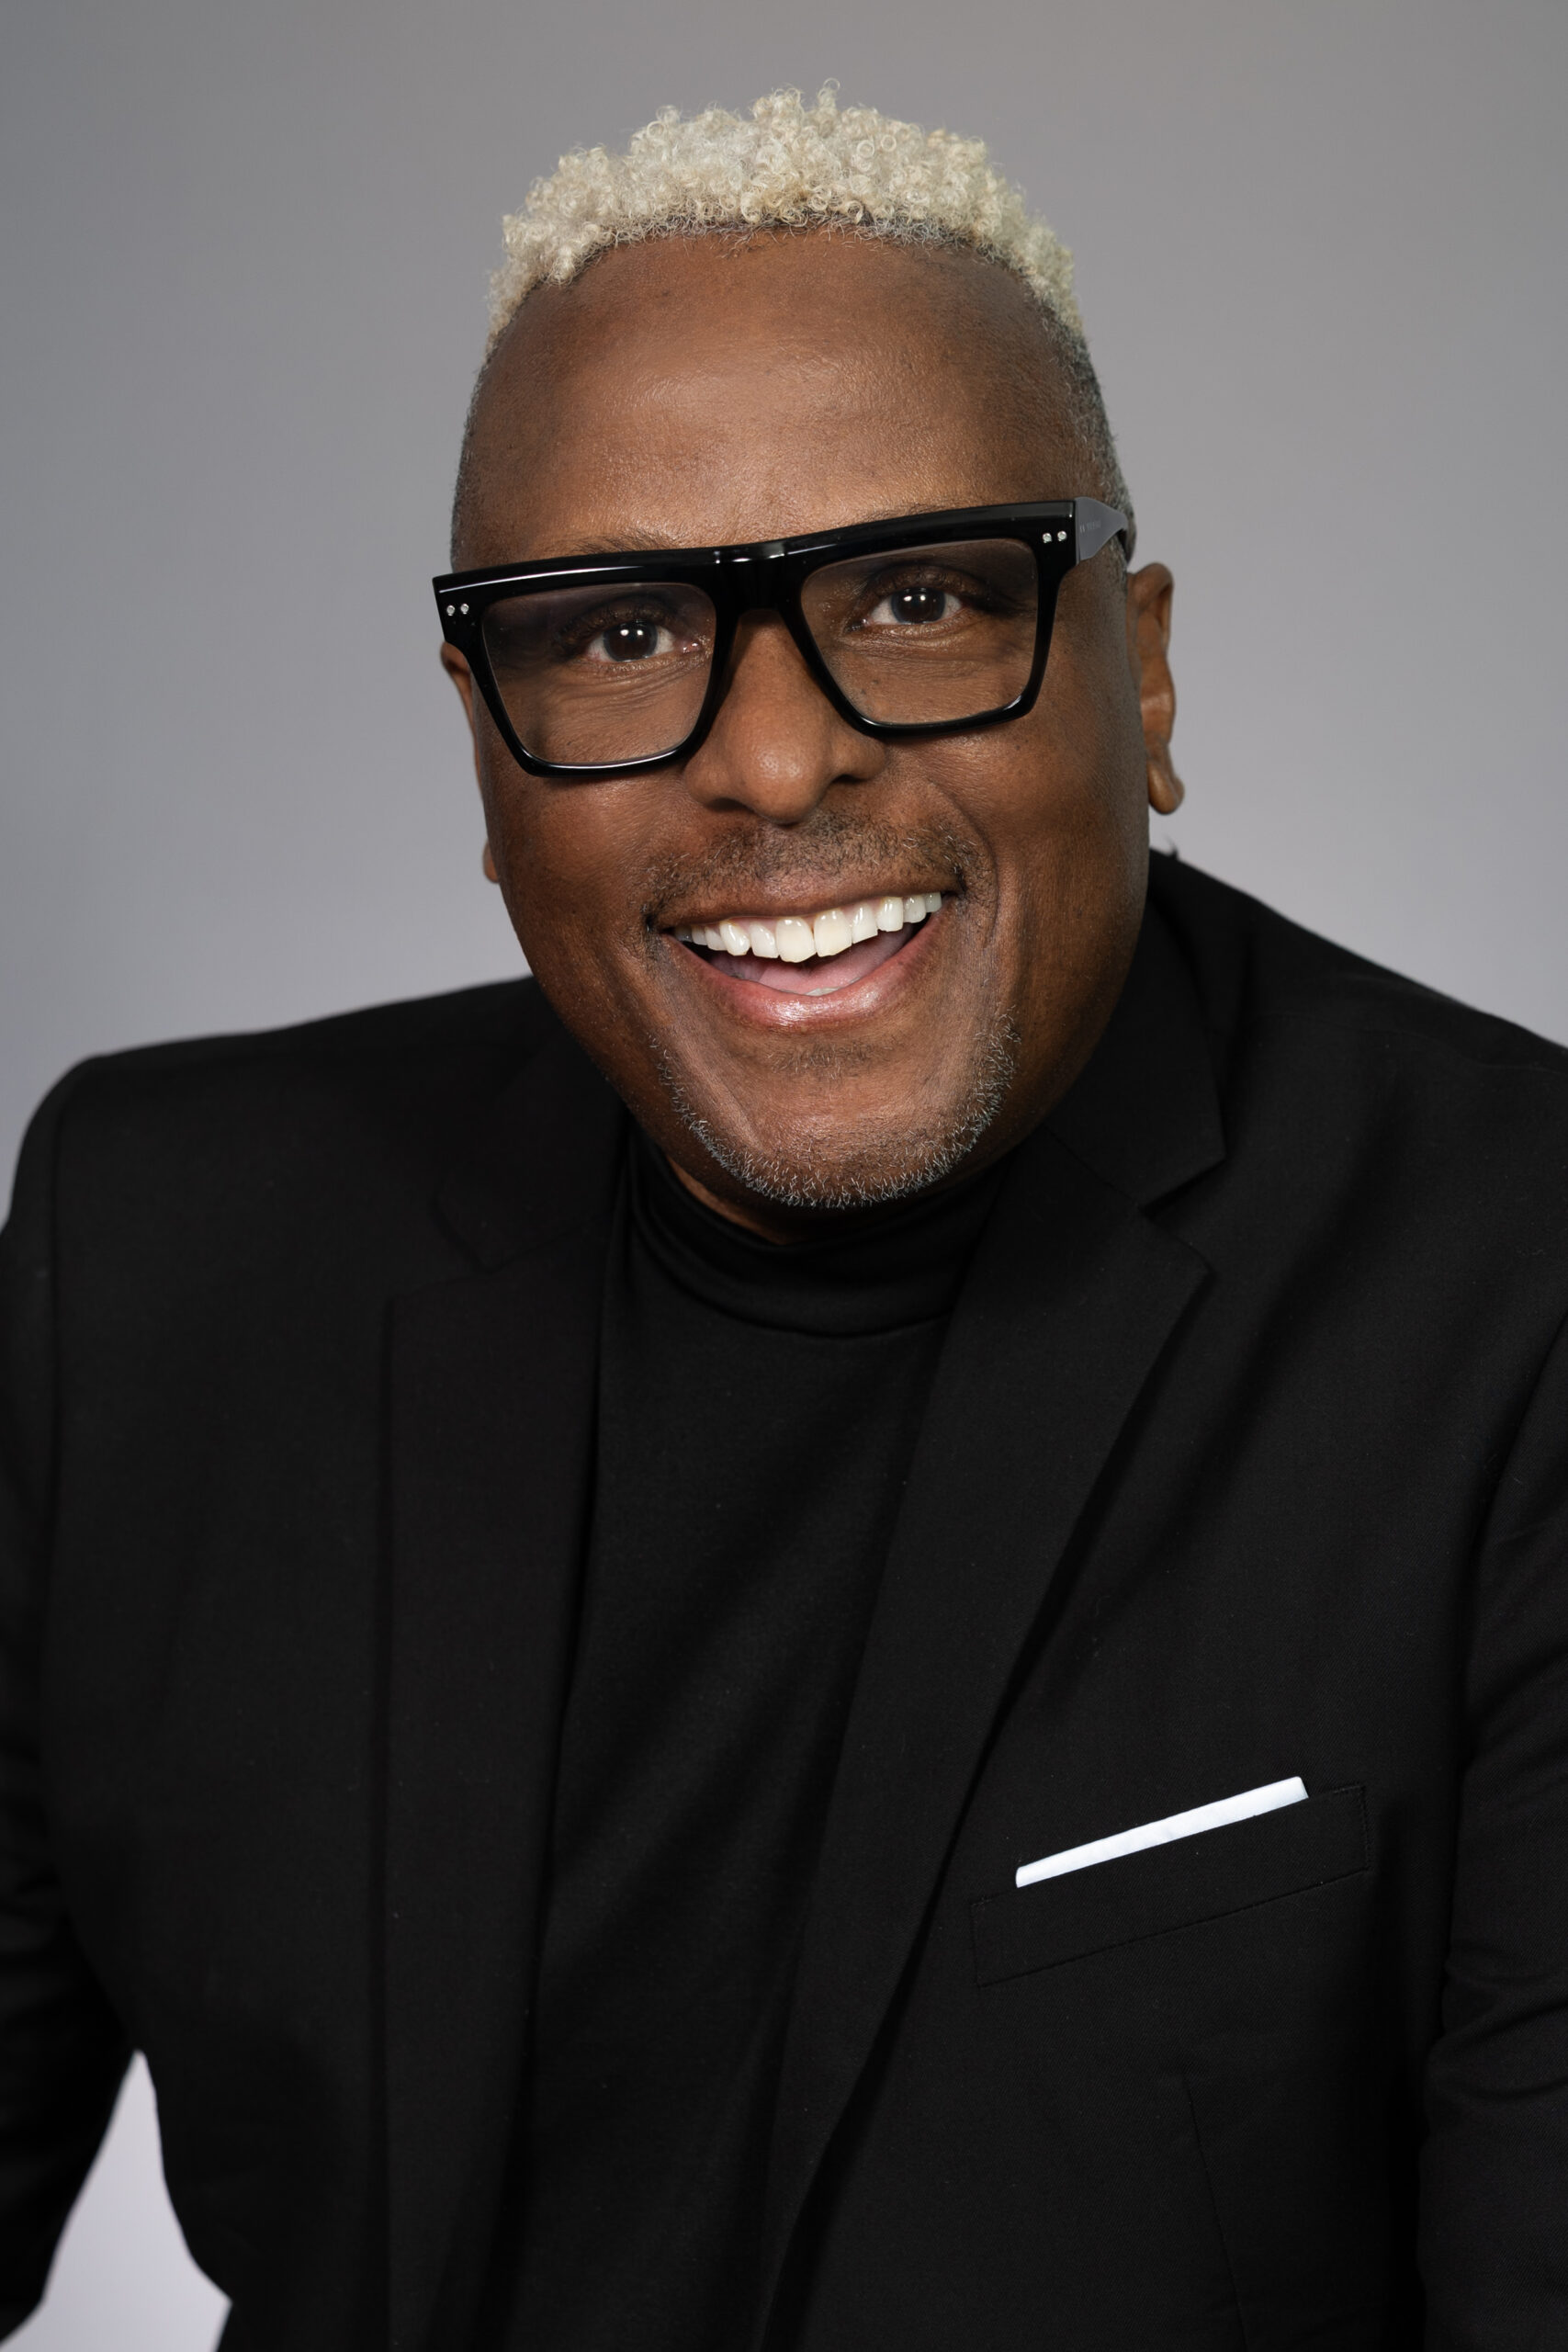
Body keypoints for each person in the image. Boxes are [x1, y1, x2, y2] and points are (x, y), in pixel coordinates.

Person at [1, 85, 1564, 2352]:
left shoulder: (1510, 1288)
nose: (765, 760)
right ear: (482, 740)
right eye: (618, 633)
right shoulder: (163, 1257)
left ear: (1139, 671)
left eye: (917, 596)